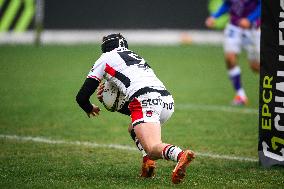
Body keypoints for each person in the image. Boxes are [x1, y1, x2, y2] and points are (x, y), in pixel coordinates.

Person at [76, 33, 195, 184]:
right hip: (167, 101)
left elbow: (81, 97)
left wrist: (90, 107)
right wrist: (113, 99)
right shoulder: (135, 57)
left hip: (144, 98)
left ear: (105, 47)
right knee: (133, 128)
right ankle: (148, 163)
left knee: (153, 148)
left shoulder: (105, 58)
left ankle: (180, 155)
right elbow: (134, 106)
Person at [205, 0, 261, 105]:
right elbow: (227, 4)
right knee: (230, 58)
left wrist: (250, 19)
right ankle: (240, 95)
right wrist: (214, 16)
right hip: (234, 27)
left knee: (255, 67)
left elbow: (262, 6)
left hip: (253, 28)